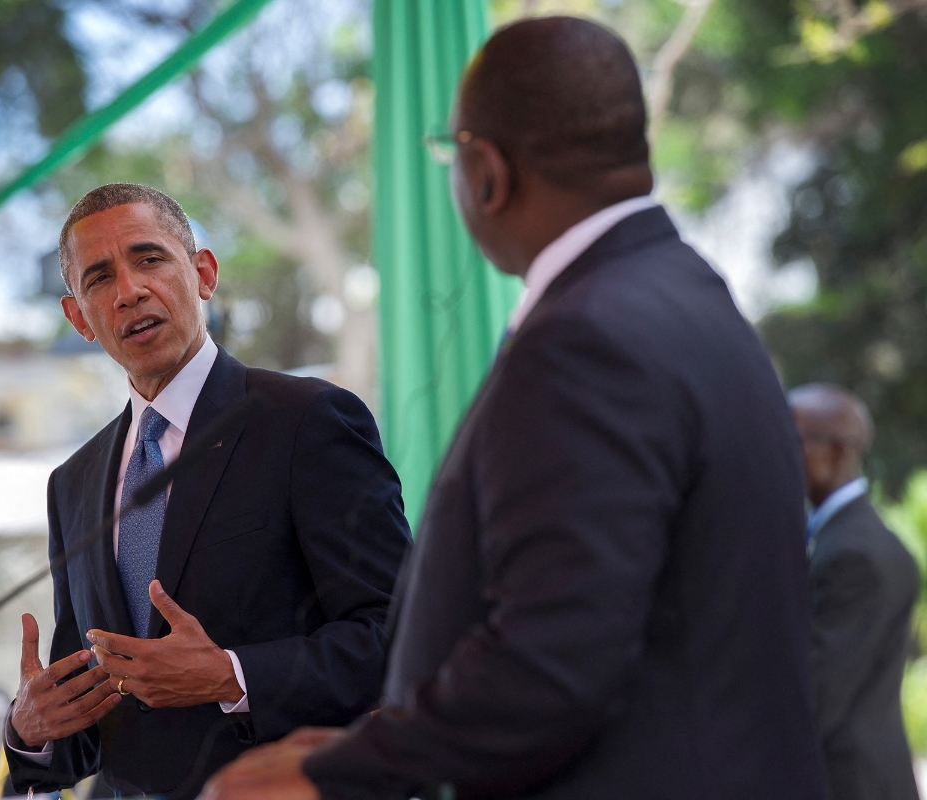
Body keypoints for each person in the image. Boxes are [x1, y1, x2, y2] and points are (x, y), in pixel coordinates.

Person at [201, 16, 829, 800]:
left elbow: (555, 661)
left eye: (450, 154)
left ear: (487, 173)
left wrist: (342, 771)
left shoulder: (584, 340)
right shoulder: (695, 299)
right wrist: (384, 731)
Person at [3, 183, 411, 800]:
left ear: (203, 273)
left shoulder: (306, 420)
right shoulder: (73, 484)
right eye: (99, 278)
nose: (130, 291)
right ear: (79, 317)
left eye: (150, 259)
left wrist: (231, 674)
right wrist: (31, 729)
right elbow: (95, 716)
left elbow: (399, 636)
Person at [789, 383, 919, 800]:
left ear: (838, 452)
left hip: (850, 784)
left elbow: (817, 694)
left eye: (793, 441)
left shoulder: (855, 552)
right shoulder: (846, 537)